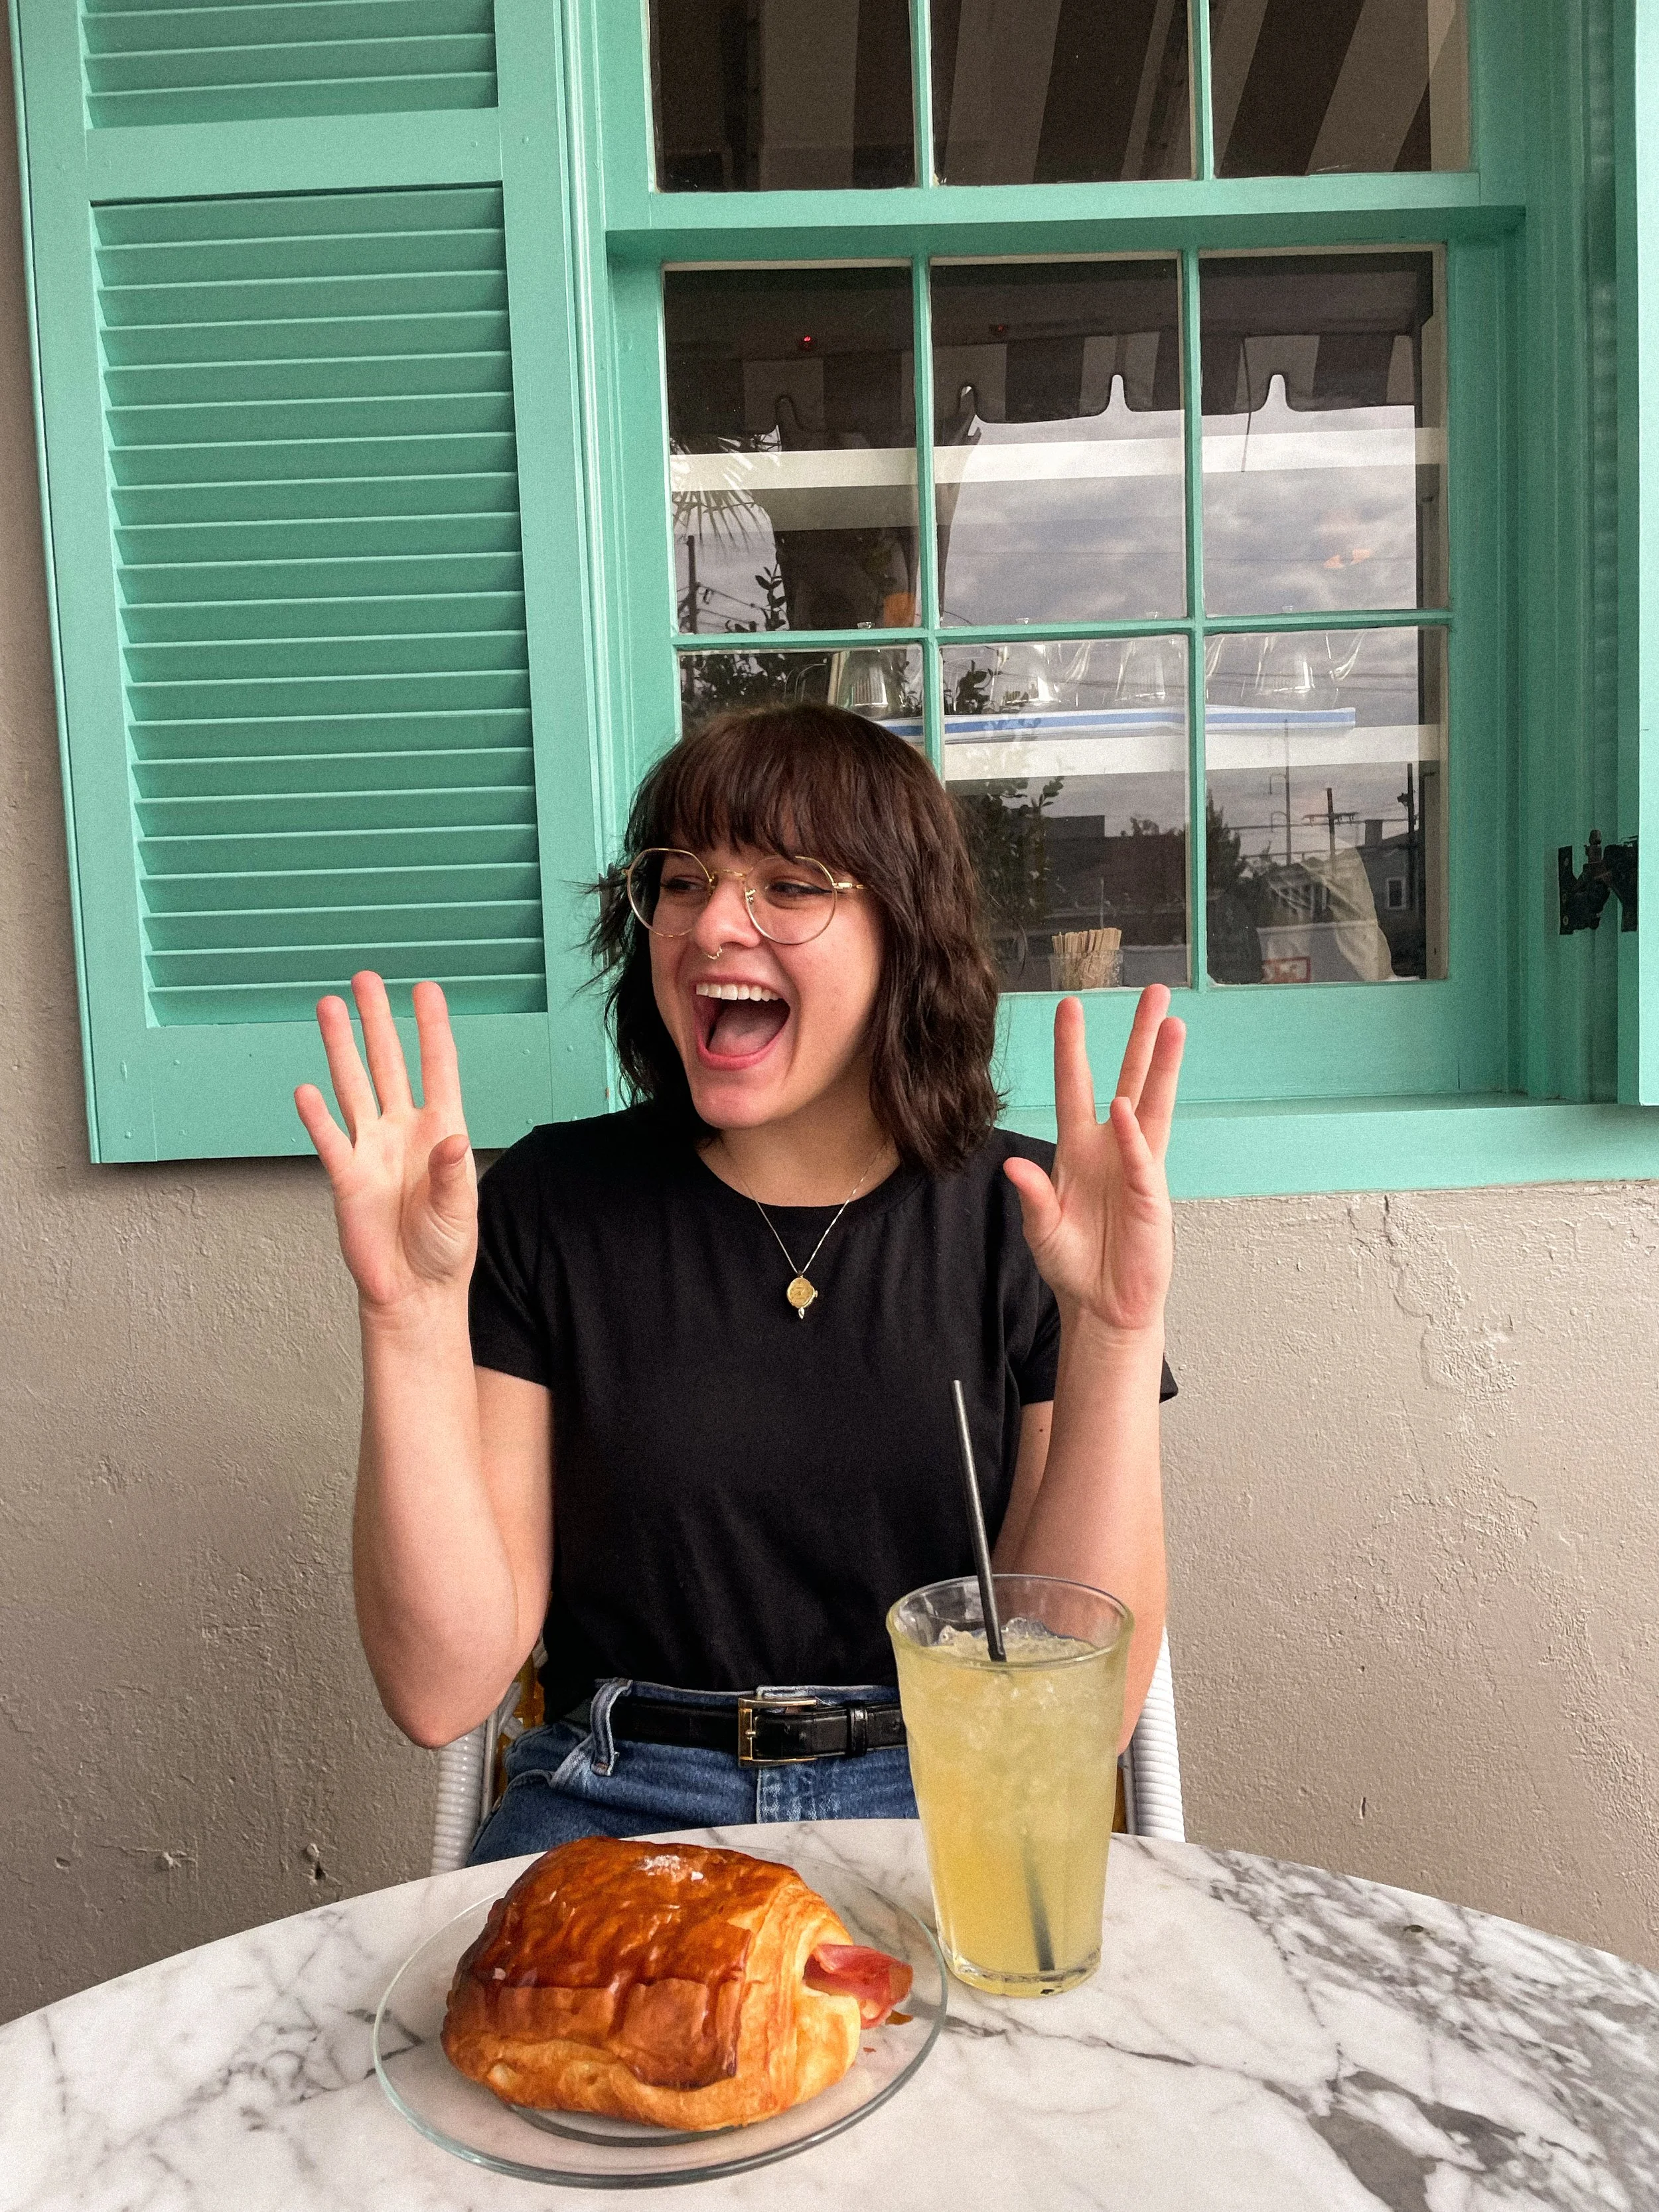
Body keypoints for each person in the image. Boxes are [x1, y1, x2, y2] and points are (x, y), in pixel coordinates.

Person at [295, 704, 1185, 1860]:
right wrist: (406, 1318)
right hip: (614, 1807)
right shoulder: (550, 1205)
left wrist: (1113, 1331)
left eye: (789, 885)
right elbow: (440, 1690)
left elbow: (1074, 1720)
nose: (714, 923)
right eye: (683, 879)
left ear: (902, 934)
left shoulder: (1028, 1214)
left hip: (945, 1798)